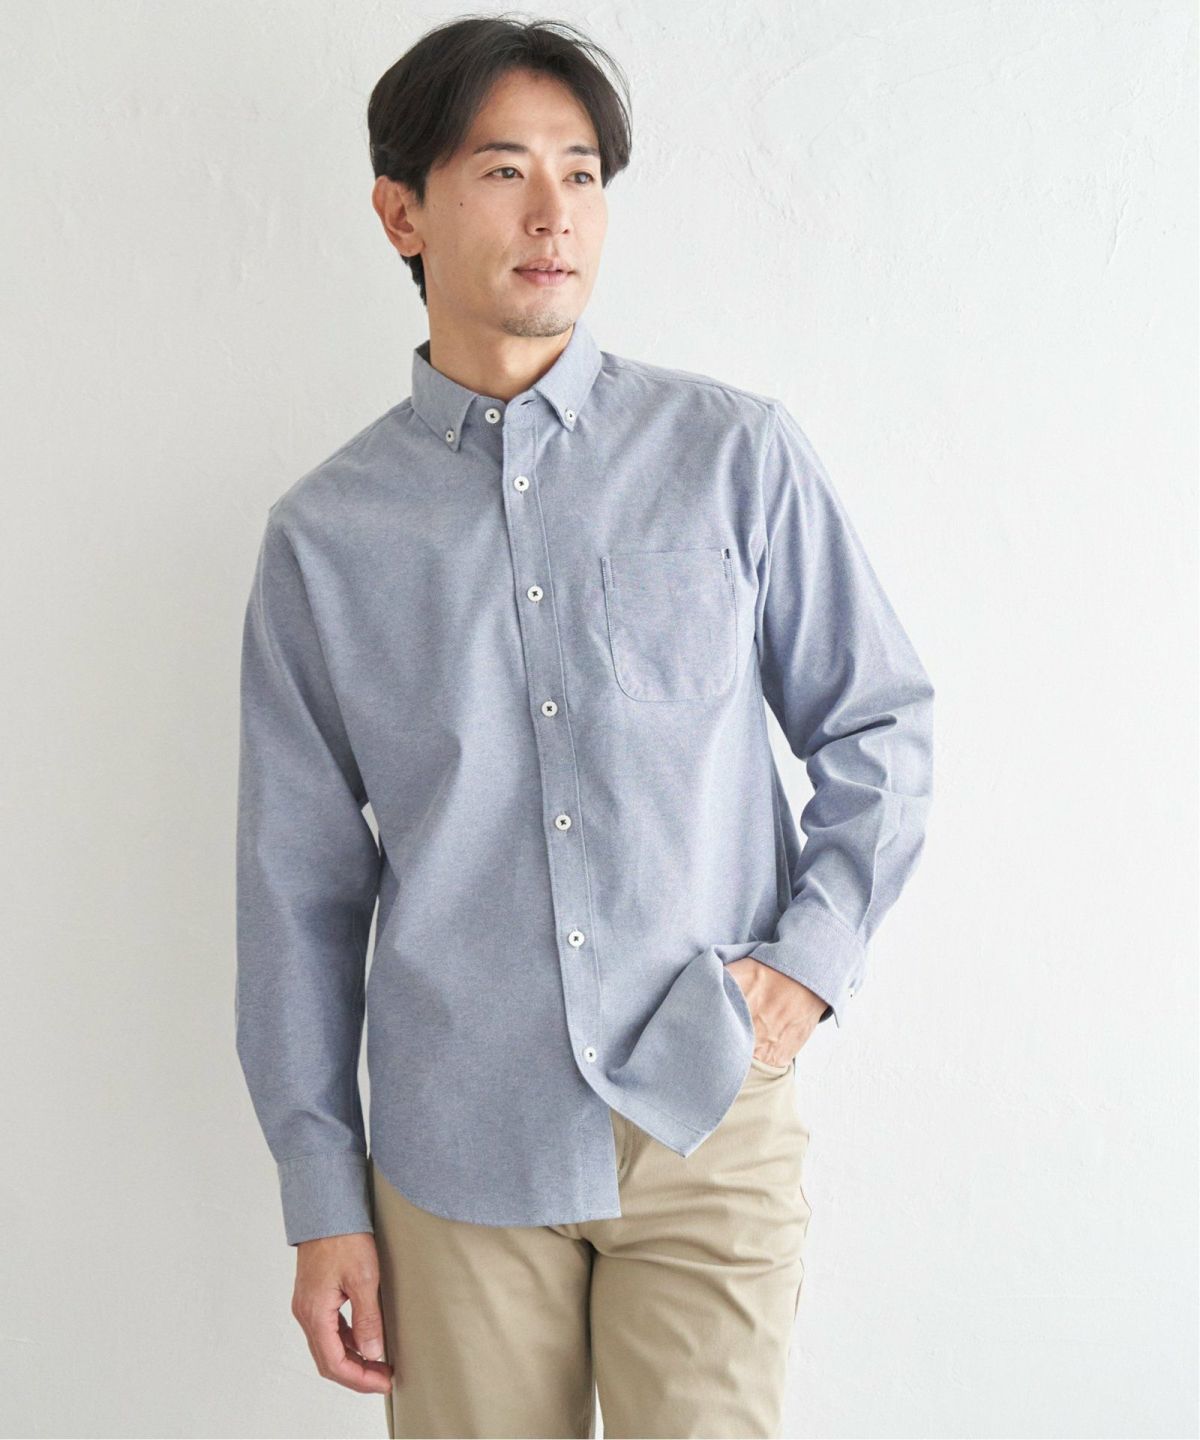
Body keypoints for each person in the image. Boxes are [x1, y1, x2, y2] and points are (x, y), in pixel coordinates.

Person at [235, 15, 935, 1439]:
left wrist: (806, 966)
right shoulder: (326, 539)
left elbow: (880, 724)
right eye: (504, 170)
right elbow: (295, 891)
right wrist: (321, 1194)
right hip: (456, 1154)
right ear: (402, 214)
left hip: (706, 1111)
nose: (554, 213)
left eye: (583, 172)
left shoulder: (731, 456)